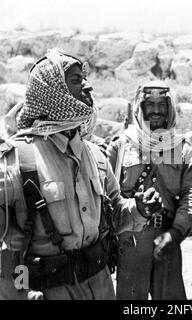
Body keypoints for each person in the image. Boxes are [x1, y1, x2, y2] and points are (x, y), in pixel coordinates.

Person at [0, 48, 161, 300]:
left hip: (101, 287)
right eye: (76, 80)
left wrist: (139, 209)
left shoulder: (96, 155)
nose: (88, 87)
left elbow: (115, 214)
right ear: (51, 90)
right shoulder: (16, 159)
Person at [107, 80, 192, 300]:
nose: (157, 111)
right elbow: (107, 196)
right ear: (140, 108)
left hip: (167, 238)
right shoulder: (120, 146)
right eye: (150, 104)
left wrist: (177, 232)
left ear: (170, 108)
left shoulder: (182, 148)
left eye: (162, 105)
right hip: (129, 241)